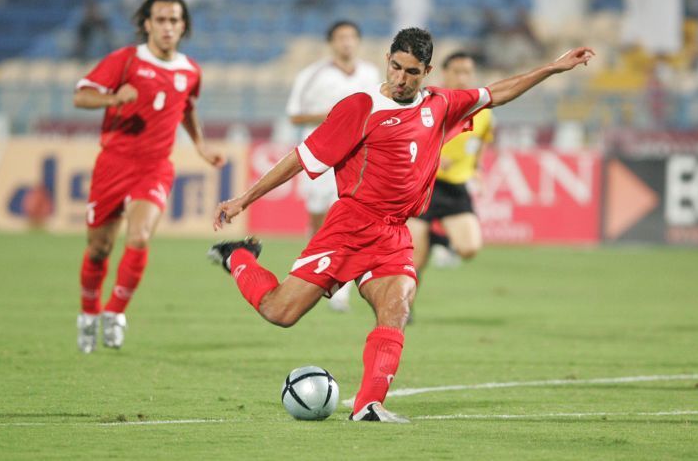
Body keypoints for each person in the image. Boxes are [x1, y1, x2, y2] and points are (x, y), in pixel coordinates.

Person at [208, 28, 594, 422]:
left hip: (394, 233)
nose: (401, 79)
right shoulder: (361, 107)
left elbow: (496, 92)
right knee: (280, 312)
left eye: (411, 72)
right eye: (395, 67)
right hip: (351, 226)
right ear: (387, 61)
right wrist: (244, 199)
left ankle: (368, 405)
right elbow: (300, 157)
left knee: (397, 306)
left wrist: (552, 68)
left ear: (427, 72)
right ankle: (238, 257)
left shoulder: (441, 104)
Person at [74, 0, 225, 353]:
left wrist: (200, 146)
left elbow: (187, 108)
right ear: (147, 24)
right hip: (113, 164)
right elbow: (81, 96)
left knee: (139, 237)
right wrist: (113, 99)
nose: (168, 27)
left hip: (155, 167)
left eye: (174, 20)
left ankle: (115, 312)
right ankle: (88, 314)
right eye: (161, 20)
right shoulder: (125, 60)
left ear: (183, 26)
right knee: (99, 249)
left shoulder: (190, 70)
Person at [286, 20, 380, 312]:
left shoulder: (371, 73)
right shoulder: (312, 75)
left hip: (356, 158)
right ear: (331, 42)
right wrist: (335, 116)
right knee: (318, 219)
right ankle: (313, 273)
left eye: (351, 37)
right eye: (341, 37)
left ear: (358, 41)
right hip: (320, 155)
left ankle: (340, 290)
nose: (347, 42)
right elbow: (294, 115)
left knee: (348, 221)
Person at [406, 52, 493, 287]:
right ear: (444, 73)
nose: (462, 78)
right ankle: (405, 303)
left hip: (455, 187)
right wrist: (432, 156)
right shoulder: (426, 103)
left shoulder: (483, 112)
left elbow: (482, 140)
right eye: (457, 72)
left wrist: (477, 169)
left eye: (467, 72)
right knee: (414, 260)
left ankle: (436, 238)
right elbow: (406, 140)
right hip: (424, 186)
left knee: (469, 248)